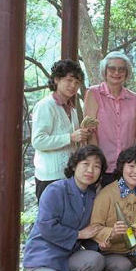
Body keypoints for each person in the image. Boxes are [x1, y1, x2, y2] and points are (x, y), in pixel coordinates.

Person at [22, 145, 108, 271]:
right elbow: (46, 226)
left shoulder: (91, 195)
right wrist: (79, 234)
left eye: (96, 166)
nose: (90, 170)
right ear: (74, 166)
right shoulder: (56, 189)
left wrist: (100, 240)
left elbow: (89, 231)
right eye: (85, 164)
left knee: (95, 259)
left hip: (66, 256)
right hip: (43, 257)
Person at [31, 59, 88, 200]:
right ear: (56, 79)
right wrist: (70, 137)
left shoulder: (71, 109)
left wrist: (82, 136)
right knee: (49, 220)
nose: (73, 86)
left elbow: (72, 142)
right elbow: (38, 141)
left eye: (77, 82)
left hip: (69, 175)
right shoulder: (45, 105)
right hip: (49, 178)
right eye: (69, 80)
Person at [84, 51, 136, 186]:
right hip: (102, 167)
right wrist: (96, 163)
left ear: (126, 73)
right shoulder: (93, 93)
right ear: (105, 71)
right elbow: (89, 132)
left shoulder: (134, 99)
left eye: (121, 69)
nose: (117, 72)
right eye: (112, 68)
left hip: (127, 167)